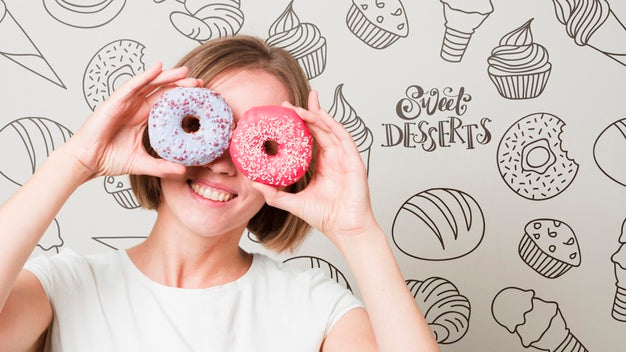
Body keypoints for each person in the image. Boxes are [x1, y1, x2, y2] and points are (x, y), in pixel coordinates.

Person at [0, 35, 440, 351]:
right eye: (206, 127)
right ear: (163, 132)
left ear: (287, 169)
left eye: (255, 140)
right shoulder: (67, 286)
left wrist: (358, 232)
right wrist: (75, 161)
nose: (223, 161)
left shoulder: (315, 309)